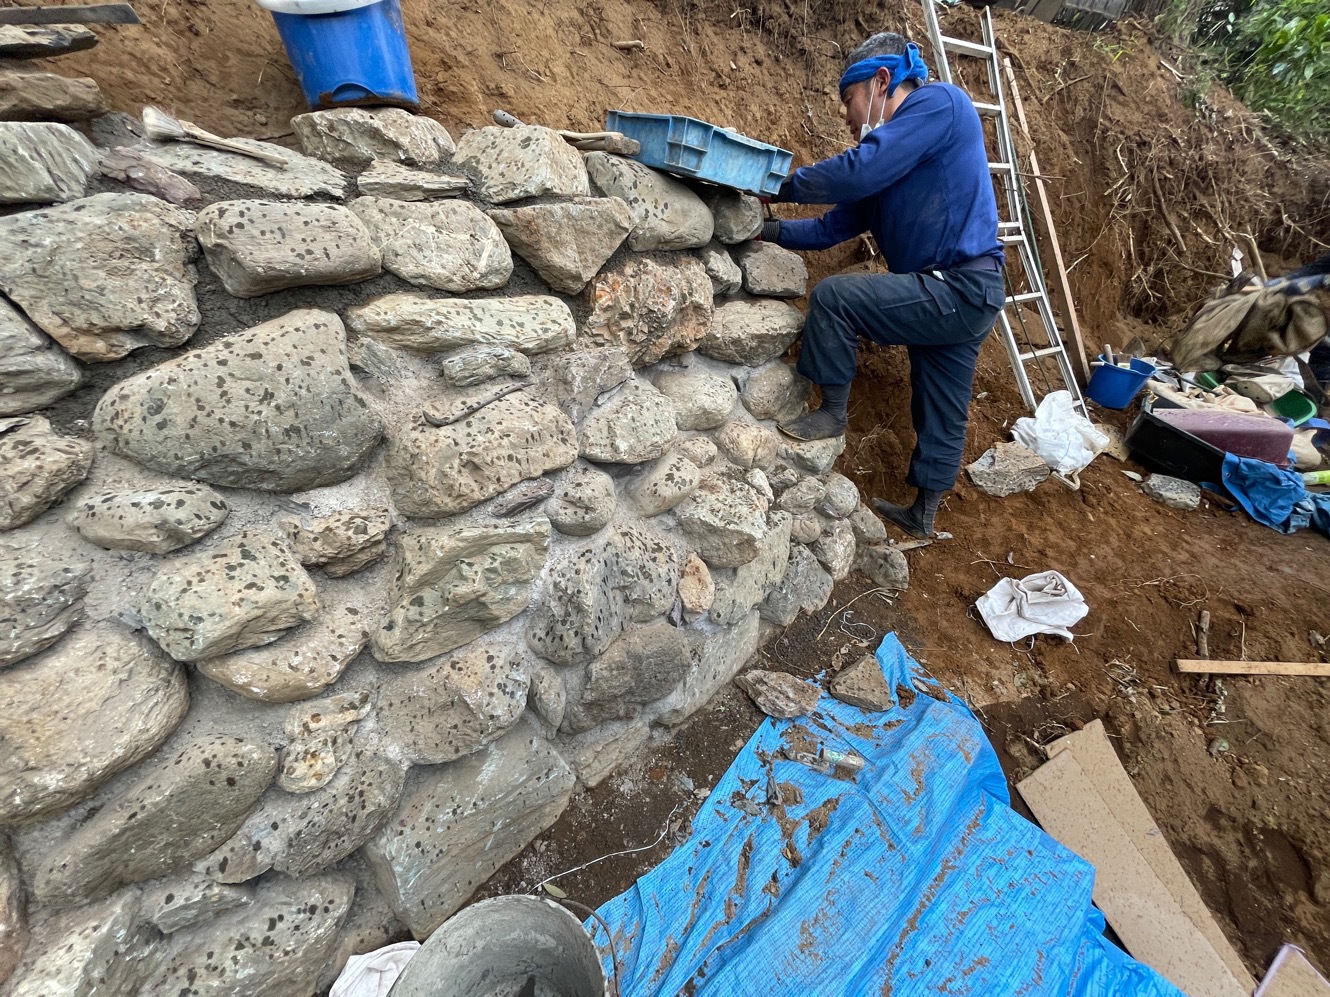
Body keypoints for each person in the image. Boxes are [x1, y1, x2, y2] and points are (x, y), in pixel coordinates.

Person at [763, 32, 1006, 538]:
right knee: (940, 403)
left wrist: (777, 186)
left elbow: (859, 169)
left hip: (959, 286)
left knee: (835, 297)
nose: (847, 117)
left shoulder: (942, 104)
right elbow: (829, 228)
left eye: (849, 99)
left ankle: (832, 412)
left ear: (880, 82)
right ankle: (923, 515)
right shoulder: (891, 164)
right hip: (965, 295)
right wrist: (770, 230)